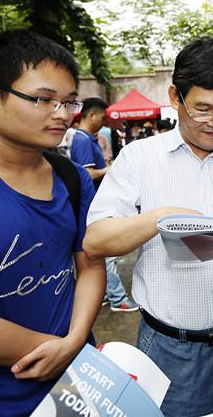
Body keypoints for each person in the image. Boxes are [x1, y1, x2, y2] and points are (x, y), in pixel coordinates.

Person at [83, 38, 213, 416]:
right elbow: (96, 240)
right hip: (171, 352)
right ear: (175, 96)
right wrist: (160, 218)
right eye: (203, 109)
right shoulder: (138, 160)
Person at [0, 30, 105, 415]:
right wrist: (61, 349)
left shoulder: (74, 180)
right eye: (43, 99)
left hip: (69, 390)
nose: (62, 114)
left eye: (69, 102)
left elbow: (90, 264)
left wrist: (75, 342)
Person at [70, 98, 138, 314]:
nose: (104, 121)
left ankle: (107, 294)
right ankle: (118, 299)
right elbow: (86, 174)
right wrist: (110, 169)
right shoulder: (81, 140)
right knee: (104, 253)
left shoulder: (87, 139)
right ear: (91, 115)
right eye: (102, 116)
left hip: (95, 204)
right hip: (92, 207)